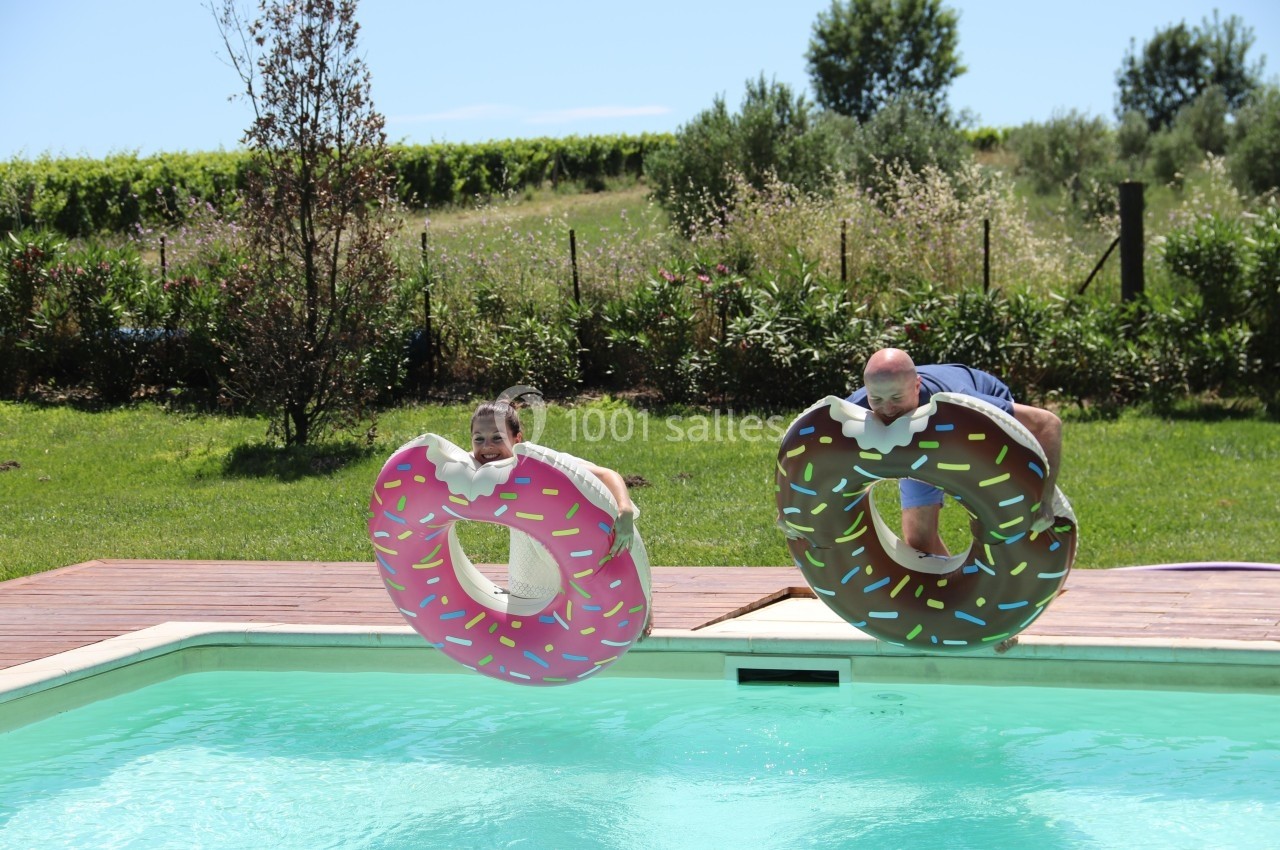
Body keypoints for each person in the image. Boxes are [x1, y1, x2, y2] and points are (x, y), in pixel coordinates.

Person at [844, 348, 1063, 556]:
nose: (888, 410)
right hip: (919, 438)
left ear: (916, 386)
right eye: (877, 400)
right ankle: (951, 589)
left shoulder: (962, 402)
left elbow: (1048, 423)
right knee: (919, 541)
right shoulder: (858, 406)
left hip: (972, 426)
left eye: (897, 399)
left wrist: (1045, 497)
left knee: (994, 519)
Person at [469, 401, 651, 631]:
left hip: (583, 534)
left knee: (588, 582)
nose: (487, 447)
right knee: (527, 598)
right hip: (530, 536)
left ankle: (643, 606)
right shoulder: (476, 464)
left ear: (517, 439)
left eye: (497, 438)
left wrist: (624, 509)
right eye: (479, 439)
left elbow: (606, 474)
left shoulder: (539, 463)